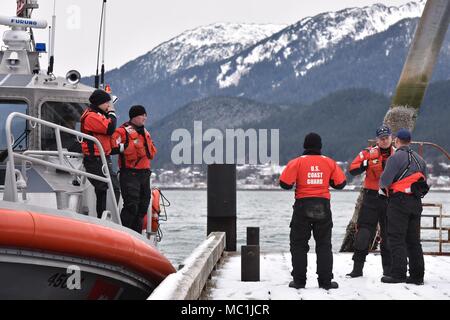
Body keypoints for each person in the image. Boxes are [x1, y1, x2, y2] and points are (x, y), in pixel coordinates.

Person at [279, 133, 346, 290]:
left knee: (299, 244)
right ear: (320, 146)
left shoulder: (296, 163)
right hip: (322, 205)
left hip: (302, 205)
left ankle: (299, 281)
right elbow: (341, 183)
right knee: (323, 244)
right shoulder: (329, 162)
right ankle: (325, 282)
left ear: (305, 145)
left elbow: (284, 183)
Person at [380, 129, 429, 285]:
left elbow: (384, 181)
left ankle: (398, 274)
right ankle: (417, 275)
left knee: (396, 238)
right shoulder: (420, 160)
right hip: (415, 201)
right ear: (410, 141)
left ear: (396, 141)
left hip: (399, 201)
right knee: (414, 240)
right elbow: (424, 181)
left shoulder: (395, 158)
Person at [346, 125, 395, 278]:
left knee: (388, 234)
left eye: (387, 137)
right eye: (381, 138)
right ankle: (357, 269)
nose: (384, 140)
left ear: (391, 138)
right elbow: (352, 169)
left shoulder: (398, 154)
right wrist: (365, 164)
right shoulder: (367, 153)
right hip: (371, 197)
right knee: (364, 233)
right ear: (377, 140)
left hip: (390, 197)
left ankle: (388, 271)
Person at [113, 105, 157, 233]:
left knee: (143, 206)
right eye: (142, 115)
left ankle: (136, 235)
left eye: (145, 115)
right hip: (130, 174)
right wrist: (124, 147)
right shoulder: (122, 131)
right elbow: (111, 146)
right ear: (134, 117)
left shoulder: (145, 133)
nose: (145, 118)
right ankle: (123, 234)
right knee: (131, 205)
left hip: (144, 174)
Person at [80, 89, 120, 218]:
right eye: (106, 102)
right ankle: (103, 217)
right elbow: (109, 128)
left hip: (102, 158)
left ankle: (105, 216)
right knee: (104, 189)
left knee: (108, 188)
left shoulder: (98, 115)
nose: (108, 105)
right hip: (95, 160)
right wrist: (112, 114)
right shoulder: (91, 116)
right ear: (99, 103)